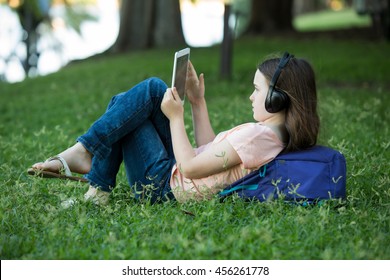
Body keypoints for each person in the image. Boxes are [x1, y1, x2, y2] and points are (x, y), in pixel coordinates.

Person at [28, 52, 320, 205]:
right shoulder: (270, 135)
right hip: (175, 177)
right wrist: (197, 101)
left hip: (164, 189)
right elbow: (209, 151)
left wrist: (176, 118)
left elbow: (191, 167)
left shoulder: (259, 137)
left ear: (277, 98)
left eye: (257, 90)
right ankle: (94, 178)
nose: (251, 96)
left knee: (142, 96)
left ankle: (87, 157)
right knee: (131, 103)